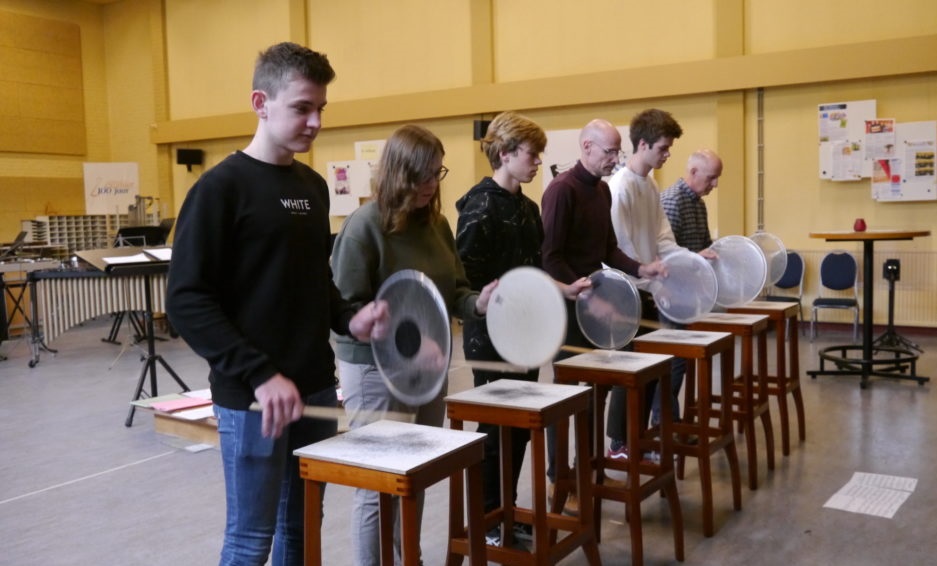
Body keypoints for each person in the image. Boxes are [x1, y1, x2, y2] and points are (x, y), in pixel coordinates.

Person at [166, 42, 388, 566]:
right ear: (260, 102)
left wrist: (348, 318)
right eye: (301, 108)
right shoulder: (220, 189)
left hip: (314, 387)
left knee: (302, 528)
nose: (314, 122)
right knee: (251, 539)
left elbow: (315, 281)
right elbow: (186, 301)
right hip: (252, 398)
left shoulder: (312, 188)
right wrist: (261, 375)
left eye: (320, 110)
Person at [331, 124, 497, 566]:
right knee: (378, 486)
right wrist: (406, 342)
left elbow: (454, 292)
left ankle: (409, 560)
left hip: (427, 368)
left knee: (413, 476)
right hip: (374, 371)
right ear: (397, 173)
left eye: (436, 174)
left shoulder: (438, 224)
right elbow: (346, 312)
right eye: (421, 176)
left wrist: (478, 301)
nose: (430, 185)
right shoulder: (364, 227)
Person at [455, 111, 588, 546]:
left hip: (527, 336)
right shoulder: (478, 205)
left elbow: (531, 269)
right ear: (507, 153)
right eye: (532, 154)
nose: (537, 162)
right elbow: (468, 283)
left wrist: (564, 290)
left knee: (518, 429)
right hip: (491, 338)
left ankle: (507, 511)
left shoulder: (529, 208)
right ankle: (487, 519)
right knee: (495, 433)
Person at [541, 118, 664, 513]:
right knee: (567, 399)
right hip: (567, 308)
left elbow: (608, 250)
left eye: (617, 151)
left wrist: (639, 269)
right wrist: (579, 289)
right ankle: (558, 480)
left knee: (595, 394)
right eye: (609, 151)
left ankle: (589, 470)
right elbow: (550, 257)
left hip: (593, 307)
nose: (615, 158)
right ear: (587, 147)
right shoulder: (562, 191)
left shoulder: (602, 193)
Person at [605, 108, 709, 458]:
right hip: (624, 291)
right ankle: (619, 442)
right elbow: (619, 245)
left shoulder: (649, 184)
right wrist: (647, 272)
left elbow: (663, 237)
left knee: (649, 368)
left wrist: (690, 260)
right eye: (663, 148)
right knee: (628, 370)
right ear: (644, 144)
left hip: (646, 289)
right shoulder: (620, 187)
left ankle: (640, 437)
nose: (667, 155)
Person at [660, 149, 723, 253]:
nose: (715, 184)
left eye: (717, 177)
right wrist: (697, 258)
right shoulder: (672, 203)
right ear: (693, 172)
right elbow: (664, 255)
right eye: (711, 177)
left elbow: (707, 247)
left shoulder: (699, 204)